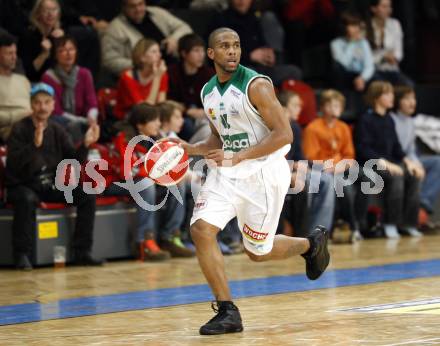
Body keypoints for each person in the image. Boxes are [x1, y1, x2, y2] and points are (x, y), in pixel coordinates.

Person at [172, 28, 330, 335]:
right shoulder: (208, 92)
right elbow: (220, 136)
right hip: (228, 172)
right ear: (211, 54)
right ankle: (227, 310)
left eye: (236, 45)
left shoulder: (255, 85)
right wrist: (191, 149)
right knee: (201, 229)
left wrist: (241, 156)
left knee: (257, 252)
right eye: (224, 46)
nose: (232, 51)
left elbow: (284, 134)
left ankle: (311, 244)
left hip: (264, 172)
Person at [5, 83, 102, 270]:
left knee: (87, 195)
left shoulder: (57, 130)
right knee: (25, 199)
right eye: (38, 102)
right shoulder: (19, 129)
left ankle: (82, 252)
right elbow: (14, 166)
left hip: (51, 184)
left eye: (46, 102)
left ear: (52, 105)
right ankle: (22, 254)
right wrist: (34, 144)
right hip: (23, 184)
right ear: (31, 105)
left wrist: (86, 144)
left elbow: (72, 162)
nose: (42, 107)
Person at [110, 103, 194, 259]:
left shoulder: (154, 140)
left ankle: (170, 236)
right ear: (140, 124)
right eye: (154, 120)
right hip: (115, 183)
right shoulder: (125, 138)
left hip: (142, 180)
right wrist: (154, 176)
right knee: (146, 184)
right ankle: (144, 241)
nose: (158, 124)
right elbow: (127, 172)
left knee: (177, 183)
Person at [355, 81, 422, 238]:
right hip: (371, 164)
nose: (392, 97)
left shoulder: (389, 120)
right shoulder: (366, 119)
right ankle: (390, 223)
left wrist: (409, 162)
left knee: (414, 176)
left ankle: (409, 223)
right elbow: (363, 148)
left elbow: (397, 148)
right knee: (396, 176)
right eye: (387, 94)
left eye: (392, 93)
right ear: (377, 97)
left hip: (390, 163)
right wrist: (384, 162)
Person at [303, 90, 362, 241]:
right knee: (344, 186)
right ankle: (351, 227)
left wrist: (342, 166)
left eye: (339, 105)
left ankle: (359, 226)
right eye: (331, 104)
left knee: (367, 178)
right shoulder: (313, 128)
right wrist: (331, 167)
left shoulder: (343, 127)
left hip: (341, 168)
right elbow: (310, 157)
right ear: (323, 107)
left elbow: (349, 155)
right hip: (323, 170)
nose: (336, 108)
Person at [278, 90, 335, 238]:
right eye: (296, 105)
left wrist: (316, 166)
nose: (300, 109)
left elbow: (299, 156)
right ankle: (302, 232)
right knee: (304, 183)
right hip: (279, 171)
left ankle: (318, 231)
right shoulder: (272, 127)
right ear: (283, 108)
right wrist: (292, 167)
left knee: (327, 179)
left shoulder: (295, 127)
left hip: (293, 169)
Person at [211, 0, 302, 86]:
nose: (242, 1)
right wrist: (250, 56)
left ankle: (284, 98)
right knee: (251, 76)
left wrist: (268, 53)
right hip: (241, 68)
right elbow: (219, 55)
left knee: (294, 72)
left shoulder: (253, 17)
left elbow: (261, 42)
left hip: (262, 68)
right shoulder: (222, 20)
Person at [101, 0, 192, 77]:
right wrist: (140, 64)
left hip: (175, 64)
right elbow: (109, 61)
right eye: (132, 6)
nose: (138, 9)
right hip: (143, 76)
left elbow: (185, 28)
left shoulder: (157, 13)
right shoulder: (114, 29)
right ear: (124, 8)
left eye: (140, 4)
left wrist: (174, 39)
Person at [391, 86, 440, 226]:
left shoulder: (411, 122)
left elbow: (411, 150)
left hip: (409, 160)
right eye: (407, 99)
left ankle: (423, 206)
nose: (412, 102)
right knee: (411, 172)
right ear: (398, 102)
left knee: (437, 162)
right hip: (395, 160)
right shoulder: (391, 120)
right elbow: (394, 150)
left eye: (413, 98)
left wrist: (417, 163)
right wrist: (409, 163)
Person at [41, 36, 98, 143]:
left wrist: (91, 117)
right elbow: (56, 111)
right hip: (58, 121)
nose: (68, 54)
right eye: (62, 50)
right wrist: (83, 121)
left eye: (71, 49)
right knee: (73, 126)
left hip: (83, 121)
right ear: (55, 55)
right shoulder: (48, 77)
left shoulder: (84, 74)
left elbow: (92, 103)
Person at [168, 33, 214, 141]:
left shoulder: (209, 73)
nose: (201, 55)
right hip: (180, 115)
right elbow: (168, 101)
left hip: (204, 115)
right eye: (196, 50)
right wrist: (187, 111)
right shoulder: (172, 72)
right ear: (184, 53)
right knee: (186, 124)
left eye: (202, 50)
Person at [114, 38, 168, 120]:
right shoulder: (127, 77)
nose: (159, 55)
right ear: (142, 57)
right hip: (129, 116)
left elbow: (161, 104)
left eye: (159, 51)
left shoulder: (161, 74)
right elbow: (144, 111)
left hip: (152, 116)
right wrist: (157, 78)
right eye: (154, 52)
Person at [366, 0, 413, 86]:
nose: (388, 10)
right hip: (373, 71)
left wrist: (394, 57)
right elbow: (366, 57)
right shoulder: (367, 26)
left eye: (389, 6)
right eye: (384, 6)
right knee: (384, 87)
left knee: (409, 86)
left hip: (392, 69)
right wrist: (383, 57)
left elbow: (399, 52)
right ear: (373, 8)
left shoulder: (395, 24)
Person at [19, 0, 65, 82]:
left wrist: (61, 43)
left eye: (54, 9)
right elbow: (27, 73)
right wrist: (43, 54)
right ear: (37, 13)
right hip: (34, 83)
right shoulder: (28, 36)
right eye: (45, 10)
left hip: (56, 82)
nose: (50, 14)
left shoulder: (60, 35)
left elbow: (67, 67)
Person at [330, 12, 375, 92]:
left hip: (361, 75)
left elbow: (369, 65)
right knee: (337, 68)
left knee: (376, 78)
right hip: (346, 76)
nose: (356, 29)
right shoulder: (336, 44)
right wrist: (352, 43)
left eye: (357, 25)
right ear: (345, 27)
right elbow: (343, 64)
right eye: (352, 26)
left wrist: (362, 78)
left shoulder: (363, 42)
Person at [0, 32, 32, 143]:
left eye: (15, 53)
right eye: (9, 53)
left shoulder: (23, 80)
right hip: (10, 130)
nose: (14, 57)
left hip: (33, 124)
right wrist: (20, 115)